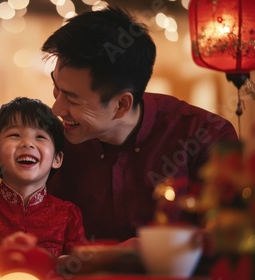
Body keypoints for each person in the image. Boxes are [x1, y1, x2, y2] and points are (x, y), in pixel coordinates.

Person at [42, 7, 238, 243]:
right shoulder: (49, 140)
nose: (56, 109)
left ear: (122, 105)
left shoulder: (205, 135)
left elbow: (229, 238)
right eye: (57, 89)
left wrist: (148, 250)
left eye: (72, 99)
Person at [0, 97, 85, 258]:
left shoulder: (68, 214)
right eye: (15, 135)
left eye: (40, 136)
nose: (27, 143)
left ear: (57, 159)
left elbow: (82, 268)